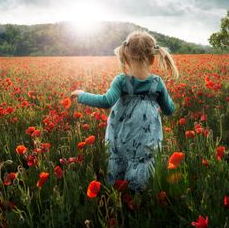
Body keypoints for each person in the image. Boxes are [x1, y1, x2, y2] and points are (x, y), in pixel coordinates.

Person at [70, 30, 179, 192]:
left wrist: (82, 95)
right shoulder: (157, 82)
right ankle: (137, 197)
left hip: (122, 136)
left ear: (126, 56)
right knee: (142, 160)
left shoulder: (121, 81)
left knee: (119, 159)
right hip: (145, 138)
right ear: (152, 58)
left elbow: (105, 101)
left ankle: (118, 193)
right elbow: (169, 110)